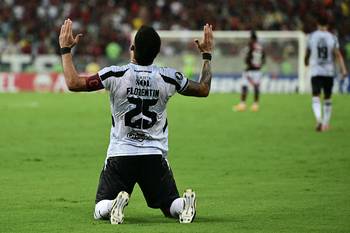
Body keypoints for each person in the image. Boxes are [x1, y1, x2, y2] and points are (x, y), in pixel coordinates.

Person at [58, 19, 213, 224]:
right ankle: (184, 205)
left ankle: (113, 204)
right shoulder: (169, 78)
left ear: (132, 48)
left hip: (121, 154)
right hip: (153, 155)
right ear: (157, 53)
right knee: (169, 205)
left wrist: (65, 49)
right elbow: (203, 89)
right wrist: (207, 55)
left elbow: (73, 83)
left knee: (99, 207)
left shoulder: (115, 74)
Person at [304, 16, 348, 132]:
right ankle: (326, 124)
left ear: (317, 23)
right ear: (327, 25)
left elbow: (307, 52)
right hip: (329, 71)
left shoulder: (311, 36)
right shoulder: (332, 37)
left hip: (316, 71)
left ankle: (318, 118)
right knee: (327, 98)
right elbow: (337, 54)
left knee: (316, 96)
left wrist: (305, 61)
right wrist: (343, 69)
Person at [234, 30, 265, 112]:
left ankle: (242, 105)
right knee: (256, 87)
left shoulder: (251, 46)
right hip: (258, 71)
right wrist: (259, 65)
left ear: (251, 38)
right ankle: (255, 105)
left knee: (244, 86)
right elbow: (263, 59)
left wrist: (247, 62)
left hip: (250, 70)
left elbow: (248, 58)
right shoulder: (260, 47)